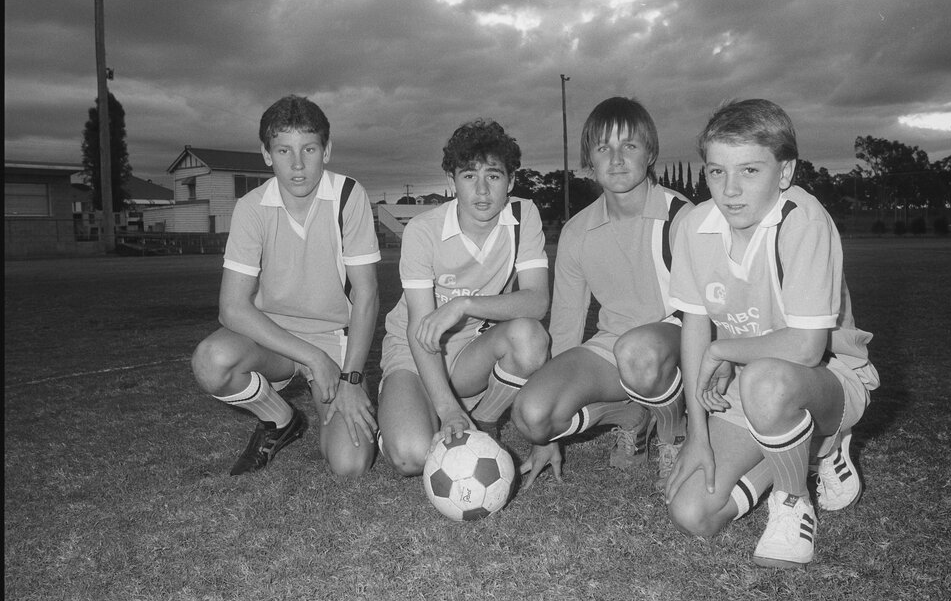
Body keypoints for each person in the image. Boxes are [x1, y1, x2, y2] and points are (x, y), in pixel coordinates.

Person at [662, 98, 880, 568]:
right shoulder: (694, 226)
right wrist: (697, 434)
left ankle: (793, 498)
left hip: (829, 379)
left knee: (767, 378)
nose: (730, 189)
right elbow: (695, 327)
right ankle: (814, 449)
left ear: (784, 173)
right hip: (751, 389)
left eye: (750, 171)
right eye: (716, 172)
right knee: (692, 512)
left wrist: (724, 348)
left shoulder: (803, 219)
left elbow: (805, 348)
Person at [191, 94, 381, 477]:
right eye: (283, 151)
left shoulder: (348, 197)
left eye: (309, 149)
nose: (297, 165)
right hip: (272, 338)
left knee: (351, 466)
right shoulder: (251, 207)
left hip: (333, 335)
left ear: (326, 151)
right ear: (266, 154)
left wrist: (351, 378)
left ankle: (366, 408)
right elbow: (232, 308)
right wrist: (312, 357)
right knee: (211, 361)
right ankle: (281, 419)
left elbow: (367, 295)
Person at [513, 96, 692, 490]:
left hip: (679, 342)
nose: (616, 158)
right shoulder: (578, 231)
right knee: (532, 415)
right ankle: (632, 415)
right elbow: (565, 325)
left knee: (639, 351)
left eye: (629, 145)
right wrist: (550, 436)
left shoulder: (682, 217)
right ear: (588, 159)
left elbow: (708, 313)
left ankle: (674, 432)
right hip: (617, 350)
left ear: (650, 153)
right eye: (603, 147)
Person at [377, 119, 550, 476]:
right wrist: (447, 409)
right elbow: (419, 330)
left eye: (494, 175)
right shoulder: (423, 230)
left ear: (511, 181)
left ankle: (483, 419)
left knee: (530, 337)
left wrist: (464, 304)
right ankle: (408, 402)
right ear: (451, 181)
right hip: (415, 350)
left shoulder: (523, 215)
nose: (482, 190)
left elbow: (536, 301)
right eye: (469, 176)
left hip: (471, 349)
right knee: (411, 457)